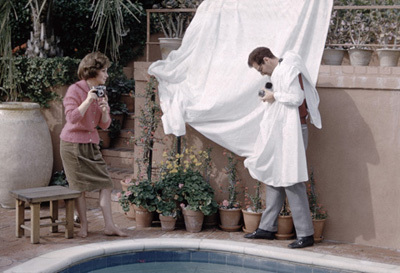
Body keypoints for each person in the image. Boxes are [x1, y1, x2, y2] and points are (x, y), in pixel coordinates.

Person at [243, 47, 322, 248]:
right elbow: (267, 90)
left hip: (295, 130)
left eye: (260, 69)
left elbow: (296, 97)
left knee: (291, 178)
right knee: (274, 176)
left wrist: (274, 96)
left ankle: (306, 234)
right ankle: (267, 228)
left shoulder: (288, 69)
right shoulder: (278, 72)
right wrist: (267, 93)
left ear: (266, 59)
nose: (261, 74)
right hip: (282, 130)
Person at [60, 52, 126, 238]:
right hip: (71, 145)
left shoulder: (101, 90)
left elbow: (104, 125)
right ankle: (84, 226)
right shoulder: (75, 90)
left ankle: (109, 226)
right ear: (93, 71)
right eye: (103, 71)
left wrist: (105, 111)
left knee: (106, 183)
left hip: (91, 144)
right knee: (79, 187)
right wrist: (88, 101)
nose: (107, 75)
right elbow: (72, 118)